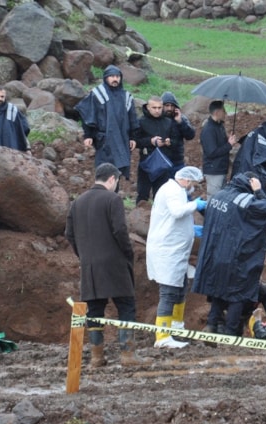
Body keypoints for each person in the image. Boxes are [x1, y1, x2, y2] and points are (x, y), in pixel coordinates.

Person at [64, 163, 143, 367]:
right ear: (112, 179)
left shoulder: (78, 202)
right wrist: (128, 253)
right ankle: (128, 355)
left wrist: (83, 255)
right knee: (126, 306)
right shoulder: (112, 199)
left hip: (89, 266)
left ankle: (97, 357)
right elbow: (120, 230)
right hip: (114, 264)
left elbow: (69, 234)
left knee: (95, 310)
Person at [192, 172, 266, 337]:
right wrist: (258, 191)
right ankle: (230, 333)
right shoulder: (244, 199)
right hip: (235, 256)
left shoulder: (219, 196)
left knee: (218, 291)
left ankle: (211, 325)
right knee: (238, 294)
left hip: (213, 254)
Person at [146, 166, 207, 349]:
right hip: (167, 252)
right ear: (187, 180)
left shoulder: (176, 191)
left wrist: (191, 229)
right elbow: (177, 211)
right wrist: (196, 205)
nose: (193, 188)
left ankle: (176, 327)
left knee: (180, 288)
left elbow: (176, 219)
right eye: (193, 184)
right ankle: (163, 336)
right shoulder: (172, 191)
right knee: (169, 292)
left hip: (176, 252)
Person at [75, 65, 139, 180]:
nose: (115, 79)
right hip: (104, 140)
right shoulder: (98, 94)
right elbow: (88, 114)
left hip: (122, 138)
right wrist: (88, 135)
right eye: (112, 76)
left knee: (117, 174)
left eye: (117, 76)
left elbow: (132, 118)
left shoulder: (126, 96)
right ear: (106, 78)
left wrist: (133, 137)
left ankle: (114, 191)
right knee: (103, 174)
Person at [135, 96, 178, 203]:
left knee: (161, 196)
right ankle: (140, 212)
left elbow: (176, 141)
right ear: (148, 107)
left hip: (163, 163)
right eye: (154, 108)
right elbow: (135, 141)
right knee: (142, 194)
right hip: (146, 162)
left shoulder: (168, 122)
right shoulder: (141, 122)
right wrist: (151, 141)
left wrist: (169, 142)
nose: (157, 110)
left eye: (159, 107)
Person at [231, 115, 266, 195]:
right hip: (249, 173)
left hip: (240, 169)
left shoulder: (257, 132)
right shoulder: (261, 138)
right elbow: (261, 161)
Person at [200, 100, 236, 197]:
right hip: (214, 172)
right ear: (217, 113)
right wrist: (229, 145)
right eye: (223, 110)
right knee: (213, 200)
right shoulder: (209, 129)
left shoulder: (219, 126)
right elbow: (211, 152)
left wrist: (227, 140)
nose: (226, 113)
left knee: (221, 199)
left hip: (221, 169)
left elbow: (219, 144)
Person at [161, 92, 197, 173]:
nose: (169, 108)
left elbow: (190, 135)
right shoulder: (158, 119)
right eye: (167, 105)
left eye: (172, 106)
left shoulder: (181, 118)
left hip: (177, 162)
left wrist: (180, 122)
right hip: (161, 161)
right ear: (162, 106)